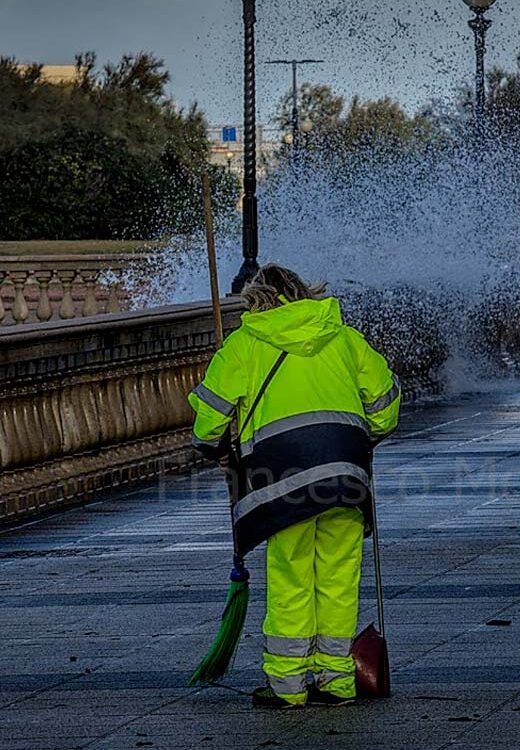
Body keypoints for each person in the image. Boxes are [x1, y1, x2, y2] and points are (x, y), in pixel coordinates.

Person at [188, 264, 401, 709]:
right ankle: (338, 682)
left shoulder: (245, 344)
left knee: (291, 577)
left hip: (282, 484)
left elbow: (208, 423)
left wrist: (217, 449)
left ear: (256, 299)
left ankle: (287, 686)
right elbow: (385, 406)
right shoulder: (343, 337)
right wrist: (361, 439)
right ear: (304, 293)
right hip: (346, 478)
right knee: (340, 579)